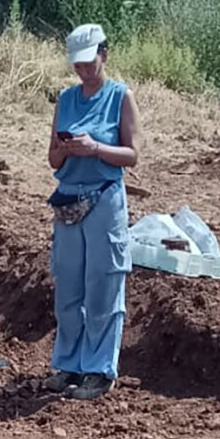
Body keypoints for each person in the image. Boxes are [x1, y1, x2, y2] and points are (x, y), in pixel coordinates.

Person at [44, 23, 141, 400]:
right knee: (68, 286)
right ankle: (69, 364)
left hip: (103, 198)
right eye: (77, 65)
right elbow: (52, 158)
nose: (82, 70)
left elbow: (132, 154)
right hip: (69, 198)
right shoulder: (66, 100)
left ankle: (99, 370)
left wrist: (96, 148)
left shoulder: (120, 97)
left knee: (102, 285)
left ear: (104, 54)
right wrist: (67, 150)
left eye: (88, 62)